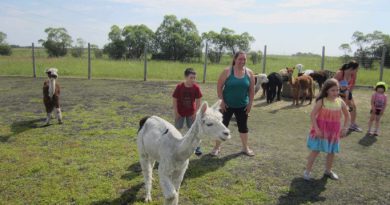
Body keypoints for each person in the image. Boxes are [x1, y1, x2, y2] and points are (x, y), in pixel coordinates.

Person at [304, 79, 350, 181]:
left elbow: (348, 116)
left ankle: (328, 171)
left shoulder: (340, 101)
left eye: (337, 90)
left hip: (333, 132)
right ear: (326, 91)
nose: (336, 92)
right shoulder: (322, 101)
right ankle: (307, 172)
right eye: (333, 90)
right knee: (315, 151)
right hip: (321, 132)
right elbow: (312, 115)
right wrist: (316, 129)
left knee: (332, 152)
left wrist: (345, 128)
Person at [211, 51, 256, 156]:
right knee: (222, 126)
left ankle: (245, 148)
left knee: (243, 127)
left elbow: (251, 90)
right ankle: (217, 147)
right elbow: (219, 87)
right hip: (226, 105)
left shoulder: (249, 73)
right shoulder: (227, 71)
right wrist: (221, 102)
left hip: (242, 106)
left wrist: (250, 104)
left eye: (244, 59)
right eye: (240, 59)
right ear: (235, 59)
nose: (242, 61)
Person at [172, 68, 203, 156]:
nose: (193, 80)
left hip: (191, 113)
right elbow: (174, 99)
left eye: (194, 78)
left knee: (194, 130)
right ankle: (176, 145)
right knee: (177, 129)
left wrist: (195, 113)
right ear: (186, 77)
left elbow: (198, 100)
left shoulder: (196, 88)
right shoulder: (179, 87)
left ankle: (196, 147)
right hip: (180, 112)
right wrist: (176, 112)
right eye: (191, 77)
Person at [334, 60, 362, 132]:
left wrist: (349, 94)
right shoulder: (340, 73)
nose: (357, 71)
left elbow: (352, 84)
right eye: (357, 69)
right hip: (337, 92)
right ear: (352, 68)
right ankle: (334, 124)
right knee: (338, 108)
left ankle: (352, 125)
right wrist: (340, 93)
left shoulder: (353, 74)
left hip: (347, 92)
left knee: (353, 107)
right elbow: (333, 84)